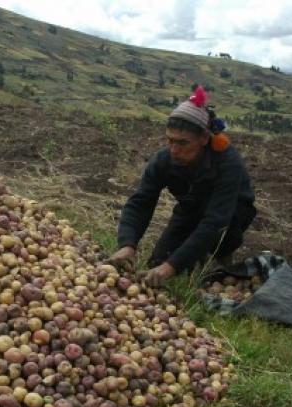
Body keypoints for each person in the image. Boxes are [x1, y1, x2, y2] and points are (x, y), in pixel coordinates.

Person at [106, 86, 256, 287]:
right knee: (158, 263)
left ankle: (219, 259)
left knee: (215, 248)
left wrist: (172, 266)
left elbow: (215, 221)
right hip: (191, 206)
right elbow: (141, 202)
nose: (174, 150)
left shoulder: (228, 162)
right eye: (170, 140)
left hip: (231, 212)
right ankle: (185, 259)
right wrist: (127, 244)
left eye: (183, 143)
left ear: (204, 138)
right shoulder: (163, 160)